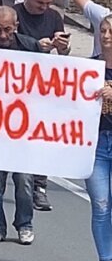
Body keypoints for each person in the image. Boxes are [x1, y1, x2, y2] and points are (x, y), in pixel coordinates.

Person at [0, 6, 41, 247]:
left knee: (25, 182)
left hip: (23, 129)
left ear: (15, 27)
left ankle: (24, 224)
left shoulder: (31, 47)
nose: (2, 35)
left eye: (7, 29)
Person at [14, 0, 70, 212]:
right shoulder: (14, 14)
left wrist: (61, 45)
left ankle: (40, 186)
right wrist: (37, 45)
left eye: (48, 3)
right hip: (17, 84)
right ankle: (18, 179)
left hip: (44, 85)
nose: (44, 8)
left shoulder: (55, 17)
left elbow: (65, 51)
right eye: (39, 3)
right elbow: (8, 45)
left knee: (42, 138)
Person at [86, 13, 112, 261]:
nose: (105, 36)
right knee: (101, 205)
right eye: (102, 30)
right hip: (96, 147)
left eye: (110, 32)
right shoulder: (90, 68)